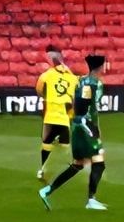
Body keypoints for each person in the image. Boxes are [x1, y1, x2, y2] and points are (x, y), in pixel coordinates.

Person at [38, 54, 110, 211]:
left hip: (79, 126)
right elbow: (84, 105)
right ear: (100, 67)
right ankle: (91, 200)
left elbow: (74, 103)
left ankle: (47, 190)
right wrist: (87, 124)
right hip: (86, 127)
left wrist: (77, 119)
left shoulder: (80, 81)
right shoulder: (93, 84)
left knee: (78, 164)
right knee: (99, 163)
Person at [34, 47, 77, 181]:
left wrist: (47, 96)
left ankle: (42, 170)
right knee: (65, 145)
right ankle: (64, 169)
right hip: (64, 115)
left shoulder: (47, 75)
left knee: (46, 143)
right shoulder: (71, 77)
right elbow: (75, 89)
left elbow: (39, 90)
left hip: (50, 114)